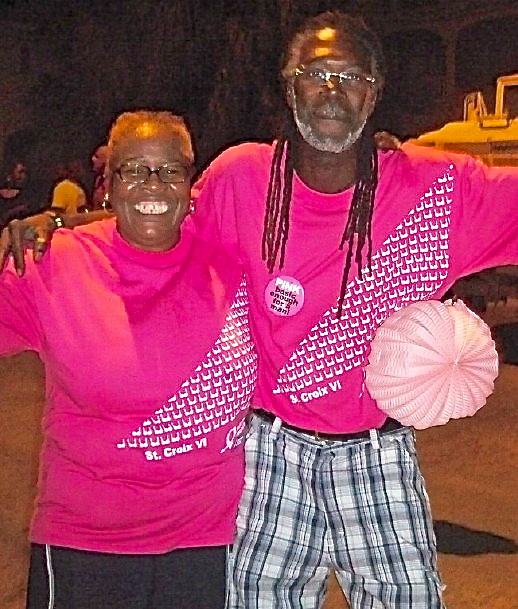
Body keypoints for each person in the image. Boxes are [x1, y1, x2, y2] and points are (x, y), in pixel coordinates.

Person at [3, 10, 518, 609]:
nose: (332, 91)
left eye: (350, 77)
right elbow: (157, 213)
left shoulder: (438, 189)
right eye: (316, 74)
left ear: (374, 92)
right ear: (288, 84)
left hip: (378, 452)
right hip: (269, 454)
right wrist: (59, 225)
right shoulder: (241, 178)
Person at [0, 110, 257, 609]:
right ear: (108, 185)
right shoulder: (52, 262)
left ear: (190, 184)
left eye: (170, 171)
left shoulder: (234, 266)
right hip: (85, 543)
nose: (153, 184)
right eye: (134, 170)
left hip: (203, 544)